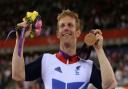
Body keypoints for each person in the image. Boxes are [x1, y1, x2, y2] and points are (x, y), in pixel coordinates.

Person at [12, 9, 117, 89]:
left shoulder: (88, 66)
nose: (66, 28)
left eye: (70, 25)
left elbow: (110, 85)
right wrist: (20, 39)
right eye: (62, 26)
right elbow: (17, 74)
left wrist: (99, 49)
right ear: (58, 33)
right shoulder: (46, 61)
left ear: (78, 32)